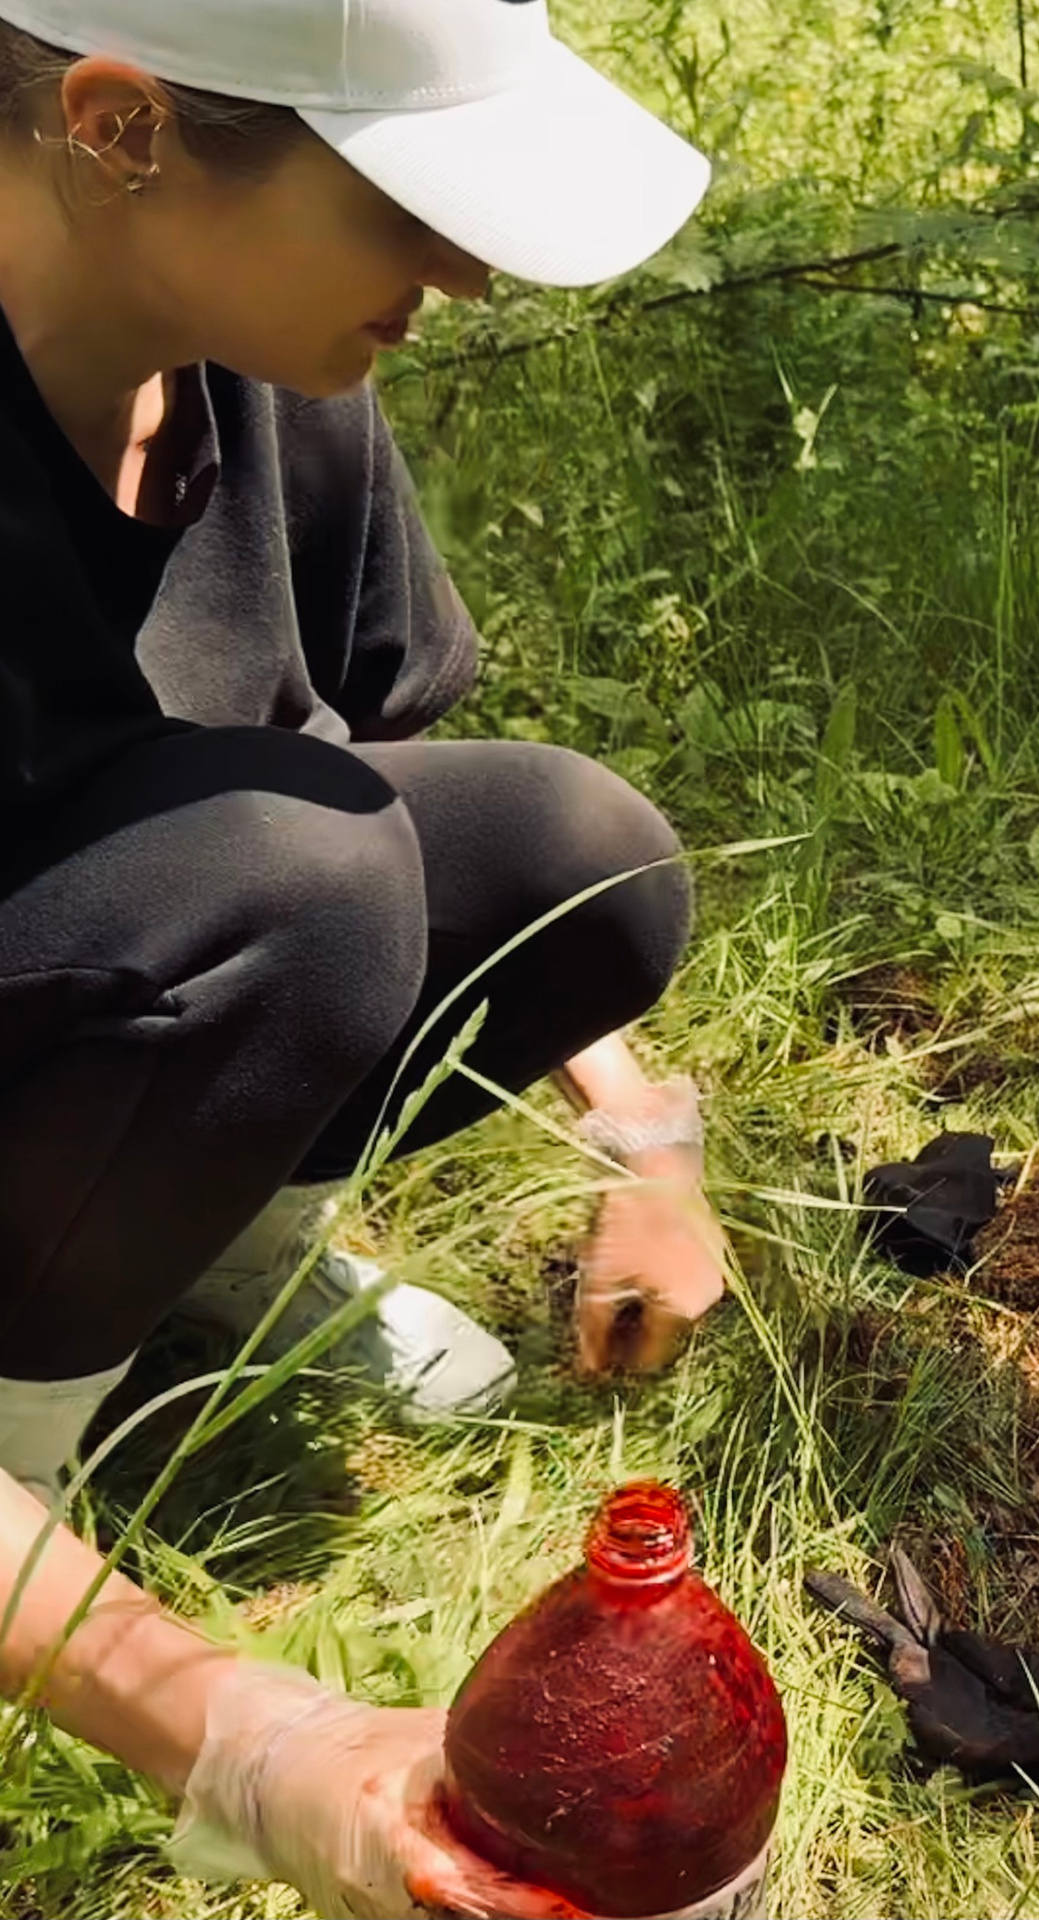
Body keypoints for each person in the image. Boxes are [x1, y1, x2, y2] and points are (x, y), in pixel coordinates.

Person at [0, 0, 728, 1911]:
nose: (468, 273)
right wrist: (244, 1737)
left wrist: (648, 1147)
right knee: (295, 882)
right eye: (410, 201)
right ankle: (21, 1434)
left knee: (587, 866)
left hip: (118, 964)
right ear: (121, 124)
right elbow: (301, 853)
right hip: (100, 974)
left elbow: (365, 762)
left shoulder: (257, 364)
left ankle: (196, 1234)